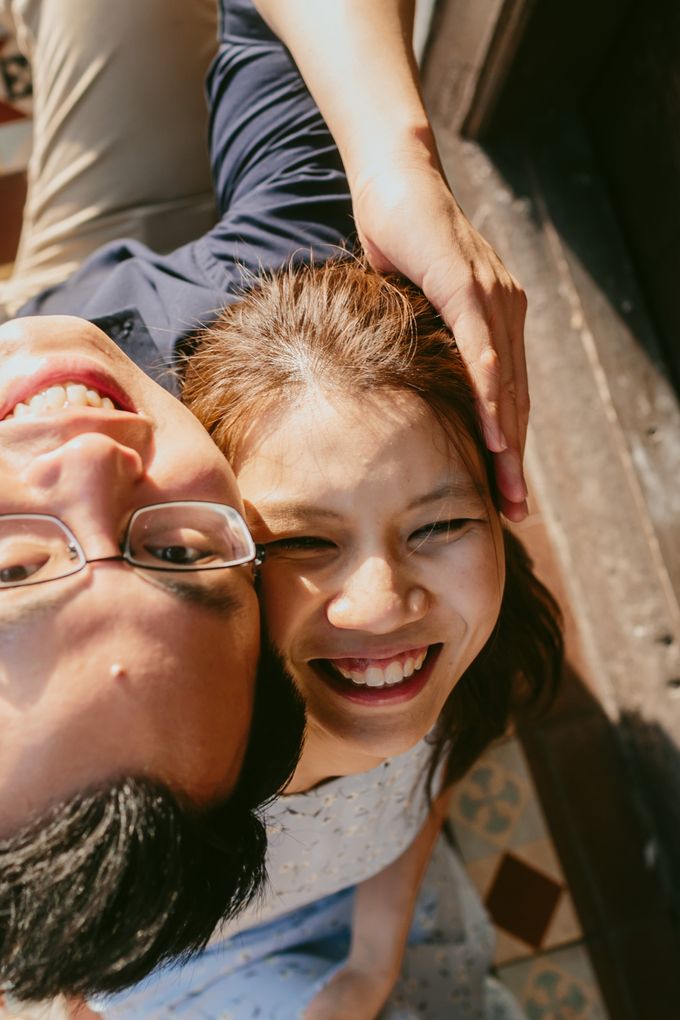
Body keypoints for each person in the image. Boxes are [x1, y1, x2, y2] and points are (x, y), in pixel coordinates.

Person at [1, 0, 532, 1010]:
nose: (91, 463)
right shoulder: (299, 347)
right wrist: (388, 160)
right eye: (182, 554)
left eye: (13, 569)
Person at [84, 261, 562, 1020]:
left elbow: (425, 784)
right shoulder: (126, 771)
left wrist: (371, 969)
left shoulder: (468, 668)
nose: (383, 608)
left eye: (439, 525)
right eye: (302, 542)